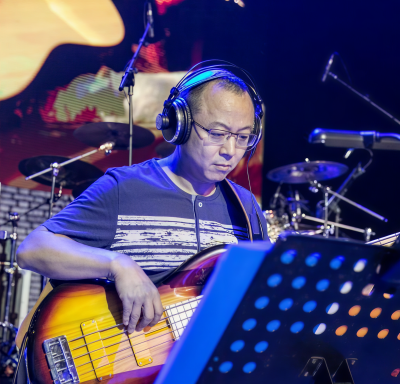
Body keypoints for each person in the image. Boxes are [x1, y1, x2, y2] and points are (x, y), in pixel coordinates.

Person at [16, 64, 269, 341]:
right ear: (179, 124)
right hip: (120, 363)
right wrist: (117, 264)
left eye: (243, 137)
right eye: (217, 133)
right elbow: (32, 249)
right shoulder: (124, 187)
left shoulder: (245, 209)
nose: (230, 151)